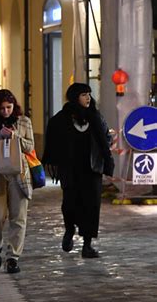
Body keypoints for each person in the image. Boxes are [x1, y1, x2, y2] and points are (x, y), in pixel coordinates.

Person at [42, 82, 114, 259]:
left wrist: (109, 140)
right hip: (70, 170)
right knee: (70, 204)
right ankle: (69, 229)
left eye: (89, 93)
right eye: (84, 94)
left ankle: (87, 245)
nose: (88, 97)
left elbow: (105, 140)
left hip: (91, 170)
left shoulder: (95, 117)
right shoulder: (61, 120)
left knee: (91, 207)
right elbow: (52, 141)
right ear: (75, 97)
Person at [0, 89, 34, 274]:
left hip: (19, 175)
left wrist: (15, 137)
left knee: (18, 217)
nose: (6, 112)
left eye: (9, 107)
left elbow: (30, 146)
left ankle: (13, 258)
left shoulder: (24, 121)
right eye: (2, 108)